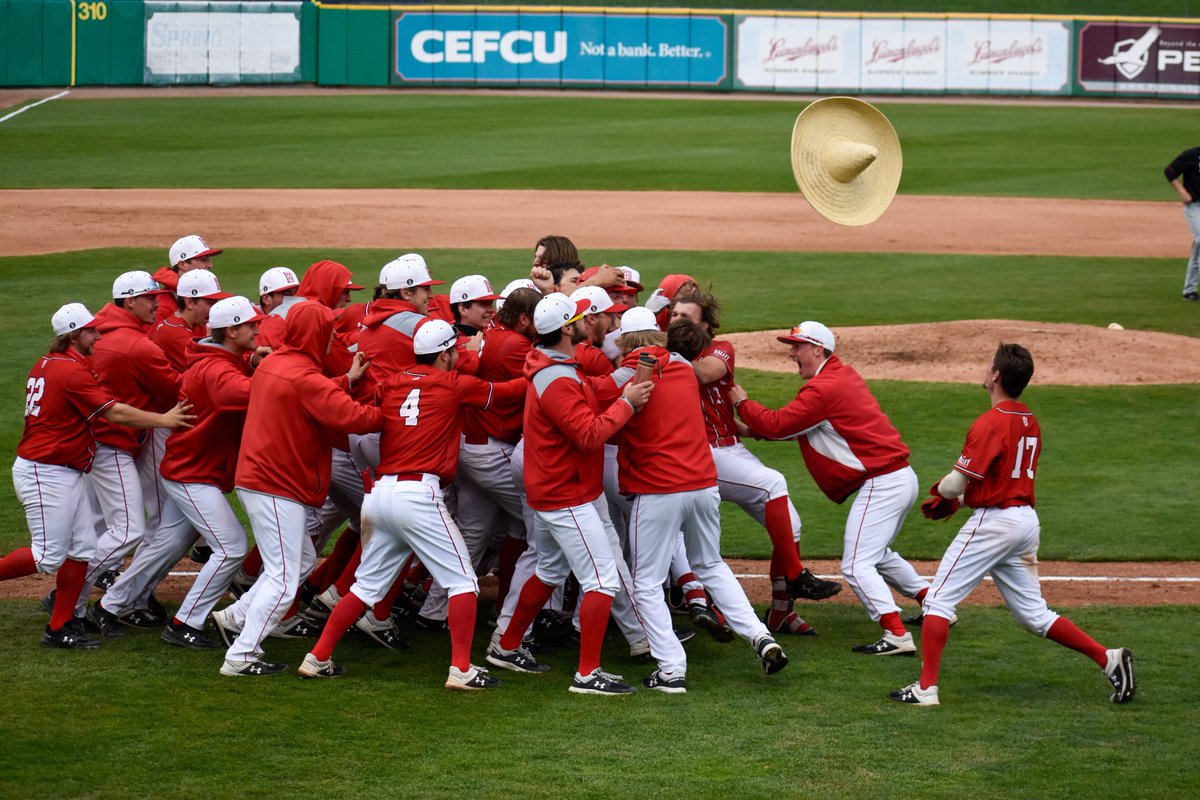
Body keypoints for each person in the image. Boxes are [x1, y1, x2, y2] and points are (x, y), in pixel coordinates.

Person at [891, 343, 1136, 706]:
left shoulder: (990, 421)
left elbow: (957, 482)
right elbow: (999, 476)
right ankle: (1108, 659)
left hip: (996, 523)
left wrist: (947, 493)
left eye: (989, 366)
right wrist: (961, 501)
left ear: (995, 376)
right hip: (1024, 522)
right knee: (1034, 615)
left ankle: (926, 689)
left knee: (938, 601)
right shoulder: (1029, 420)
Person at [298, 319, 526, 688]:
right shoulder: (453, 384)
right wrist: (541, 369)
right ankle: (462, 669)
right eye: (453, 351)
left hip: (381, 496)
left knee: (364, 588)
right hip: (418, 495)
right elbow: (509, 392)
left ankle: (318, 656)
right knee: (464, 582)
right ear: (444, 353)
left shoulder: (391, 383)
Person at [610, 307, 789, 692]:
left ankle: (672, 668)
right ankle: (761, 638)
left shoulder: (624, 376)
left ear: (623, 341)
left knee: (645, 583)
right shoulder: (681, 367)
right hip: (704, 485)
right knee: (711, 564)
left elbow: (603, 408)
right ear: (658, 337)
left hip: (658, 490)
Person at [485, 293, 652, 696]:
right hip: (565, 495)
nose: (584, 322)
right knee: (601, 579)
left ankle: (506, 647)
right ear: (564, 329)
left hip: (554, 489)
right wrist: (627, 405)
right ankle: (587, 673)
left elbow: (589, 387)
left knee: (549, 571)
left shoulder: (557, 366)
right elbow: (589, 434)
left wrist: (625, 376)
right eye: (577, 318)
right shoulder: (556, 378)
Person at [730, 321, 930, 656]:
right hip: (900, 478)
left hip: (883, 483)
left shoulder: (824, 388)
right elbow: (802, 428)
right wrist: (748, 431)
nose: (792, 353)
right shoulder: (841, 377)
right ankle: (934, 601)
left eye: (797, 346)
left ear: (818, 349)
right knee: (877, 554)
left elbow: (779, 424)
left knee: (856, 564)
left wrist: (742, 402)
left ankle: (896, 633)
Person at [1, 304, 192, 648]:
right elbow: (115, 412)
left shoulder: (50, 363)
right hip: (45, 473)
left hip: (65, 470)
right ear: (73, 336)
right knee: (47, 556)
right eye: (91, 331)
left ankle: (60, 627)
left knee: (83, 548)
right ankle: (61, 622)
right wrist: (164, 419)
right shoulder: (71, 372)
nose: (98, 335)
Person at [212, 301, 384, 676]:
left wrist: (346, 382)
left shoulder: (276, 364)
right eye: (329, 331)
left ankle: (236, 616)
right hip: (276, 485)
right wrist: (392, 411)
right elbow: (353, 416)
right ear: (315, 334)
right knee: (285, 577)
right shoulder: (304, 377)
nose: (333, 338)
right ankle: (241, 655)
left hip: (262, 480)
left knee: (301, 560)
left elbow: (311, 395)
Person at [669, 293, 841, 638]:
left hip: (731, 449)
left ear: (704, 325)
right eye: (673, 314)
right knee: (771, 483)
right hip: (701, 455)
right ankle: (791, 576)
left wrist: (666, 357)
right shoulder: (667, 355)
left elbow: (706, 373)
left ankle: (780, 613)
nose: (677, 320)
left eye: (686, 316)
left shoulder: (721, 349)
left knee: (790, 526)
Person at [1163, 146, 1200, 301]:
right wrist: (1182, 192)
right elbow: (1170, 171)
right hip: (1195, 207)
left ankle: (1189, 290)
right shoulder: (1191, 155)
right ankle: (1189, 289)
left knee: (1198, 247)